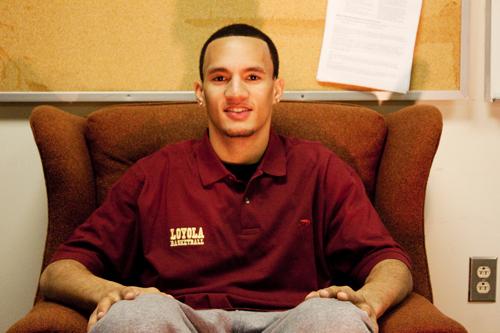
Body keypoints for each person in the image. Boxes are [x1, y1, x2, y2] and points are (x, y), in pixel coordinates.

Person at [39, 24, 413, 333]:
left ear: (276, 90)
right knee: (135, 315)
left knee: (338, 320)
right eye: (220, 78)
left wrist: (369, 299)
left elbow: (390, 262)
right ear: (200, 93)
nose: (236, 92)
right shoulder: (155, 173)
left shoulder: (321, 169)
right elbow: (60, 271)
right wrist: (112, 294)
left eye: (253, 76)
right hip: (183, 320)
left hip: (292, 319)